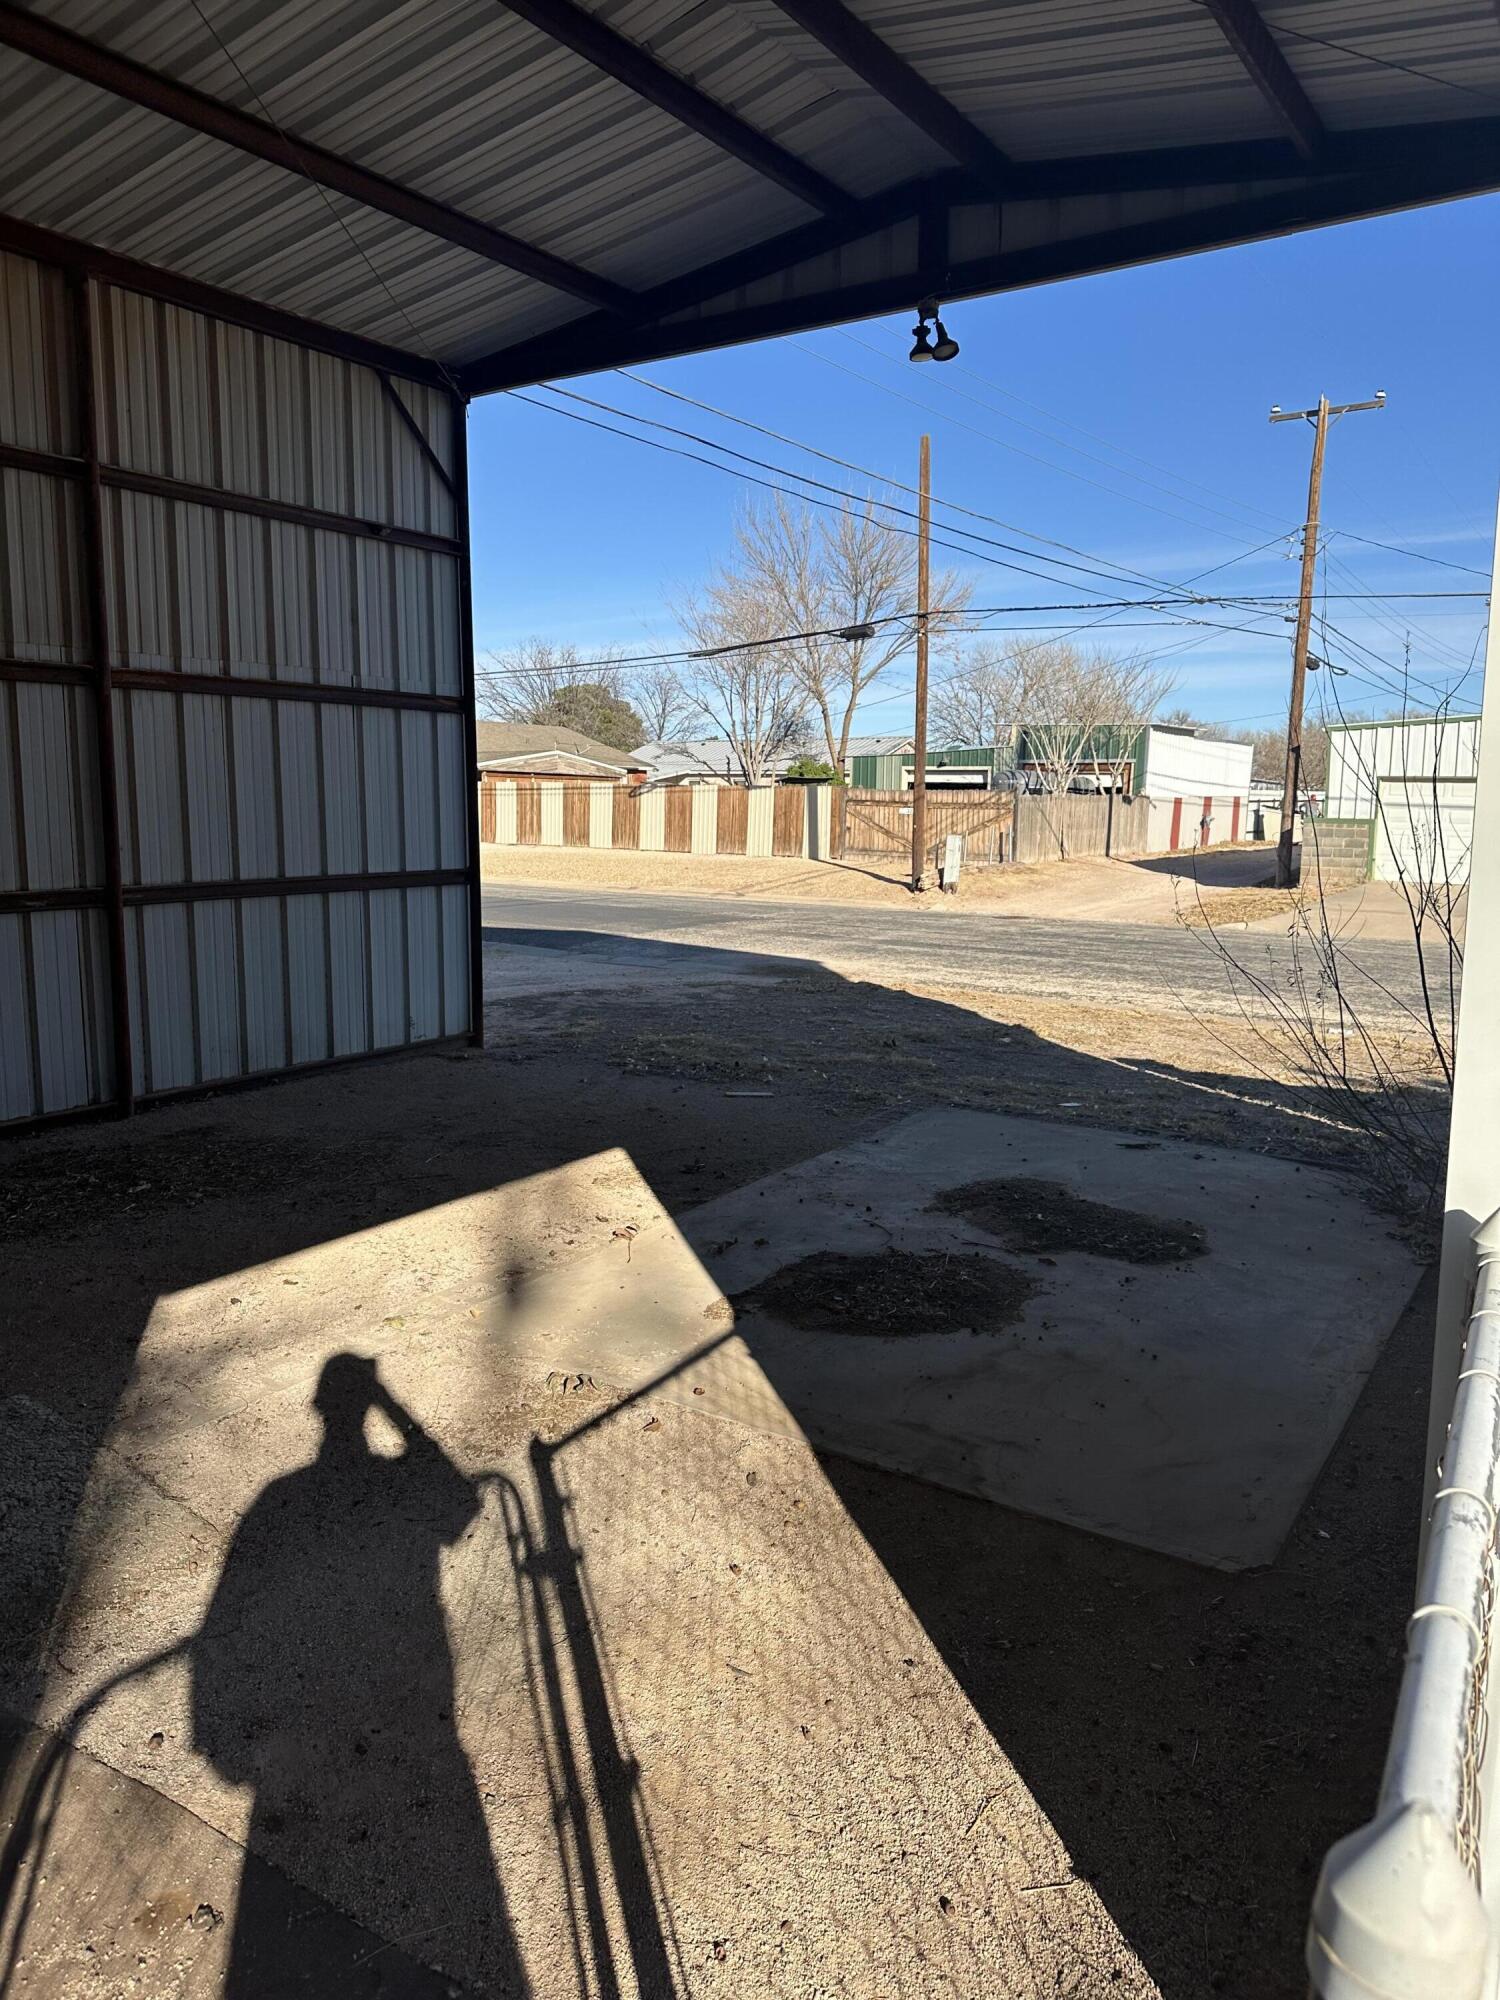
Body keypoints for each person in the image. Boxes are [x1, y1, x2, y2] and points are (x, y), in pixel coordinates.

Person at [191, 1353, 528, 1996]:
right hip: (416, 1699)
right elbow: (459, 1507)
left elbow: (227, 1606)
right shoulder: (374, 1483)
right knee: (440, 1850)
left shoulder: (279, 1497)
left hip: (315, 1722)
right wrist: (397, 1413)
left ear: (317, 1409)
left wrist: (212, 1726)